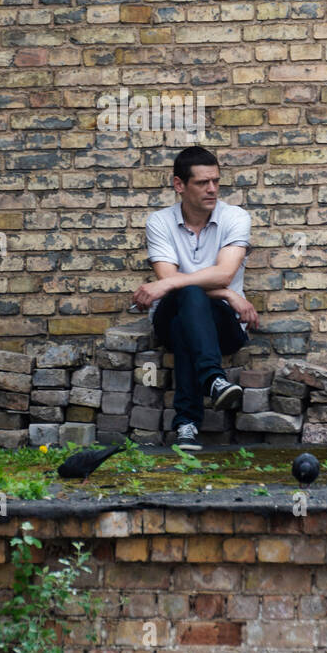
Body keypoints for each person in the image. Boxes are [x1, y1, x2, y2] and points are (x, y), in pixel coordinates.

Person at [132, 146, 259, 450]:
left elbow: (222, 274)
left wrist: (220, 288)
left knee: (185, 319)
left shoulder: (236, 217)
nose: (212, 189)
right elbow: (169, 283)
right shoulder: (159, 222)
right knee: (186, 299)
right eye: (203, 183)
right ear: (179, 185)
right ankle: (214, 381)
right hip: (172, 315)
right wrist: (227, 293)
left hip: (223, 325)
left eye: (216, 181)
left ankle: (186, 423)